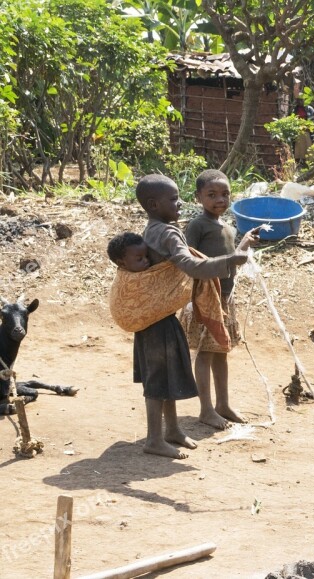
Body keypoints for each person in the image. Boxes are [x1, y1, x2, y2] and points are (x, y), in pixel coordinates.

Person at [133, 174, 258, 459]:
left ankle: (172, 429)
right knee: (158, 378)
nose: (179, 205)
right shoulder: (168, 232)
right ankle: (155, 438)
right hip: (158, 315)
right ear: (153, 204)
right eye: (173, 200)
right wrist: (229, 261)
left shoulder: (155, 228)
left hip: (157, 311)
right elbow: (190, 265)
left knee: (165, 372)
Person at [181, 169, 248, 429]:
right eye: (212, 195)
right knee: (206, 353)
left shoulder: (228, 228)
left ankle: (223, 404)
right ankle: (206, 409)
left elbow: (230, 264)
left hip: (225, 297)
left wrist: (245, 247)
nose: (220, 199)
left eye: (224, 194)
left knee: (221, 352)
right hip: (205, 297)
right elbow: (189, 259)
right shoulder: (198, 225)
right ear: (198, 197)